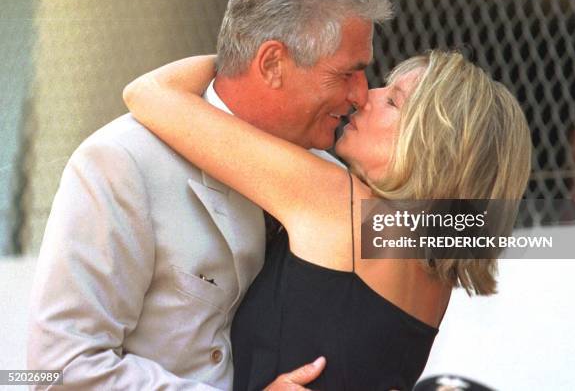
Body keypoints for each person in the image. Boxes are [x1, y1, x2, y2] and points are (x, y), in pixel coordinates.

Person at [27, 0, 392, 390]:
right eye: (346, 74)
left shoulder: (324, 176)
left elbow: (454, 232)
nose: (361, 95)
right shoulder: (122, 163)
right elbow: (55, 370)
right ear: (273, 63)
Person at [123, 49, 533, 390]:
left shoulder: (341, 206)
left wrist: (258, 60)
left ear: (434, 147)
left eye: (393, 101)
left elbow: (151, 94)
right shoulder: (434, 267)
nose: (365, 95)